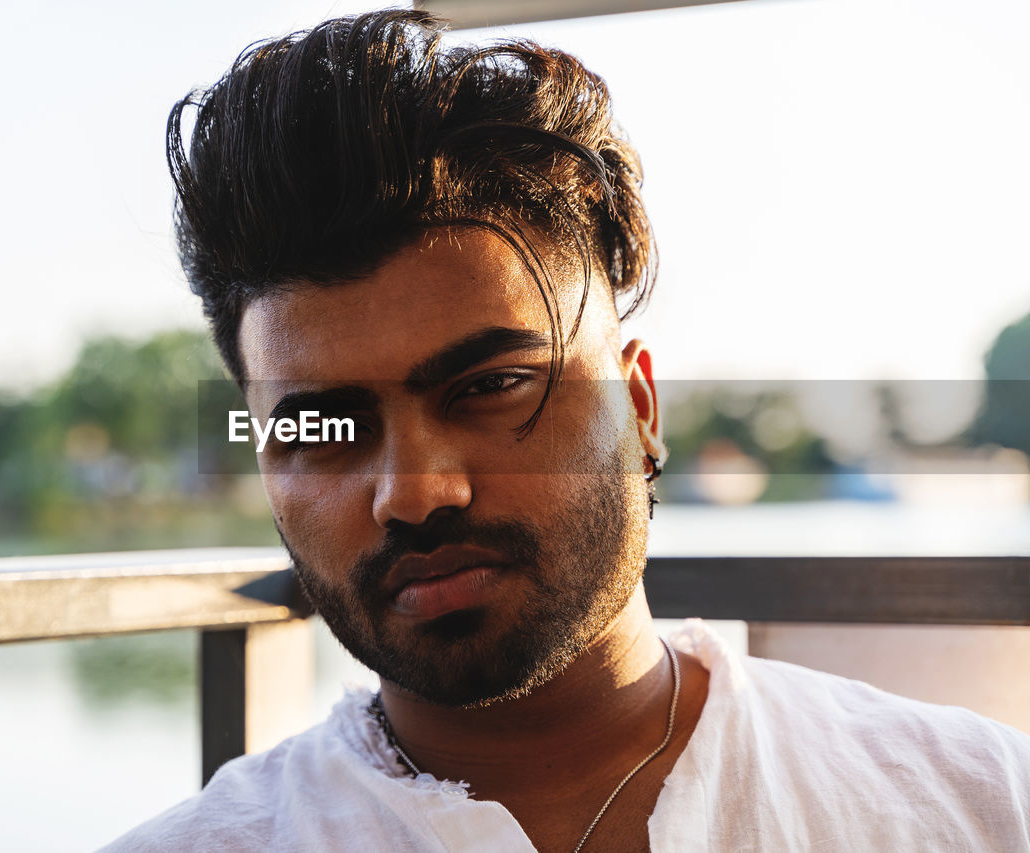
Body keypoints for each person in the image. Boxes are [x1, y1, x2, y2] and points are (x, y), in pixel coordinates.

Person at [101, 9, 1030, 851]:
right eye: (323, 423)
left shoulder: (981, 802)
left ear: (641, 408)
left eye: (492, 385)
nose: (415, 492)